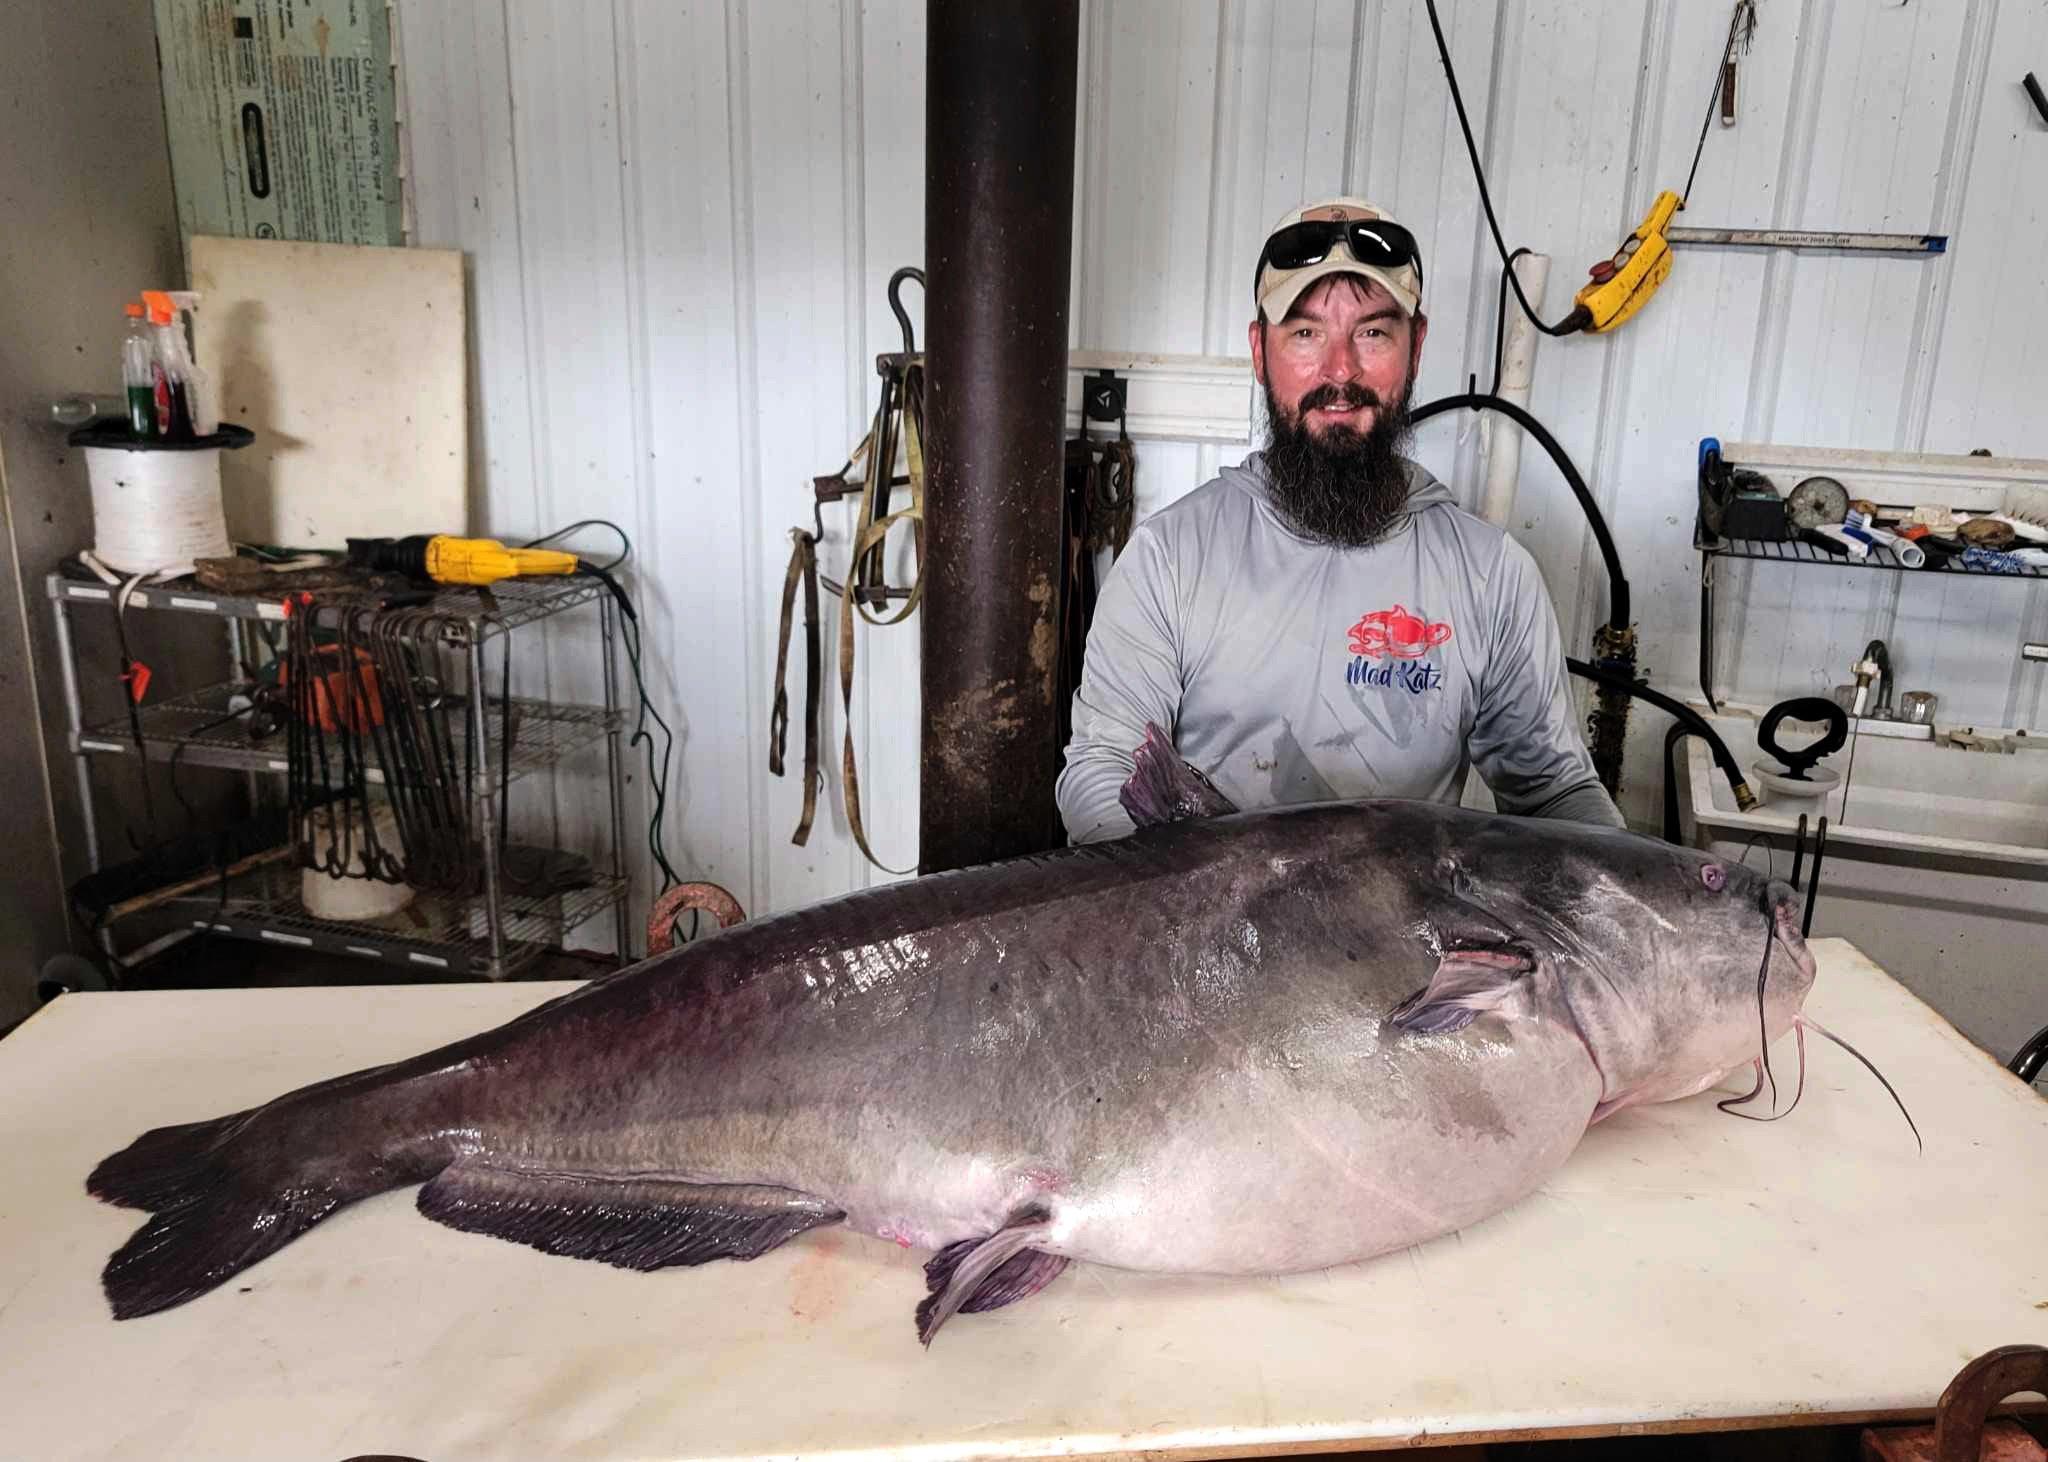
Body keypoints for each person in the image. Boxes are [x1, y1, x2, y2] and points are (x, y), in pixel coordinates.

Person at [1055, 196, 1624, 844]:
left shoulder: (1491, 577)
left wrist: (1637, 903)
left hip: (1407, 941)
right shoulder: (1170, 557)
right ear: (1259, 351)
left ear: (1416, 347)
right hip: (1207, 933)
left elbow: (1556, 791)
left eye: (1373, 332)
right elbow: (1104, 769)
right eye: (1305, 333)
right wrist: (1185, 899)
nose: (1340, 371)